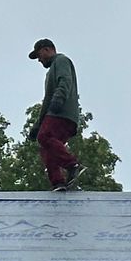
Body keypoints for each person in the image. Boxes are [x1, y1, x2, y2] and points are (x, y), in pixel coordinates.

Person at [28, 38, 84, 190]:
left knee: (44, 137)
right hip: (55, 112)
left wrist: (59, 98)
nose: (39, 60)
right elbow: (46, 100)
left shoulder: (61, 61)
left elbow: (65, 81)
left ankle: (72, 165)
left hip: (62, 112)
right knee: (47, 147)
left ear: (47, 49)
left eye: (39, 55)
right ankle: (58, 183)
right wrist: (37, 125)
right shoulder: (50, 72)